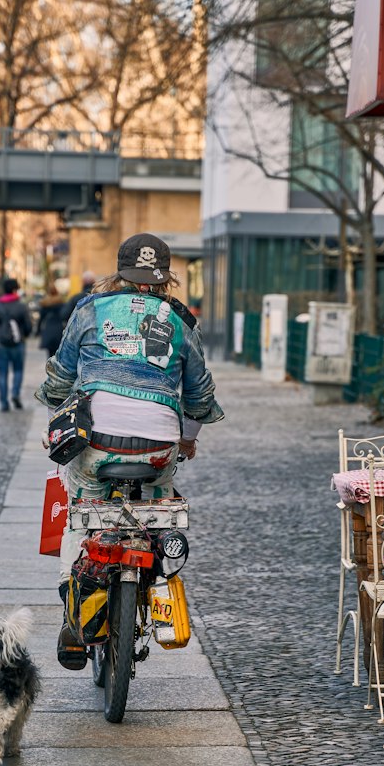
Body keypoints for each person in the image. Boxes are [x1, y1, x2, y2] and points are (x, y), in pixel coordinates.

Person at [35, 233, 224, 669]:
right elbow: (199, 393)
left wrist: (54, 415)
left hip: (97, 440)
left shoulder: (89, 310)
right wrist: (187, 438)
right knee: (158, 501)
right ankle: (153, 574)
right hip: (159, 444)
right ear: (165, 277)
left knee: (80, 506)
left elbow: (60, 377)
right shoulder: (180, 320)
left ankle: (74, 612)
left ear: (119, 273)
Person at [0, 278, 33, 412]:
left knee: (2, 374)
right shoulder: (21, 306)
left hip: (1, 344)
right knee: (18, 371)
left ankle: (3, 402)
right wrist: (24, 335)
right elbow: (28, 325)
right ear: (15, 289)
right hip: (18, 344)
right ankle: (15, 394)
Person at [36, 283, 66, 358]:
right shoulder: (61, 303)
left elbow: (41, 319)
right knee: (58, 354)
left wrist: (38, 331)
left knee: (49, 354)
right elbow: (65, 315)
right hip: (58, 329)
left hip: (48, 329)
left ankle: (50, 368)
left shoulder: (45, 303)